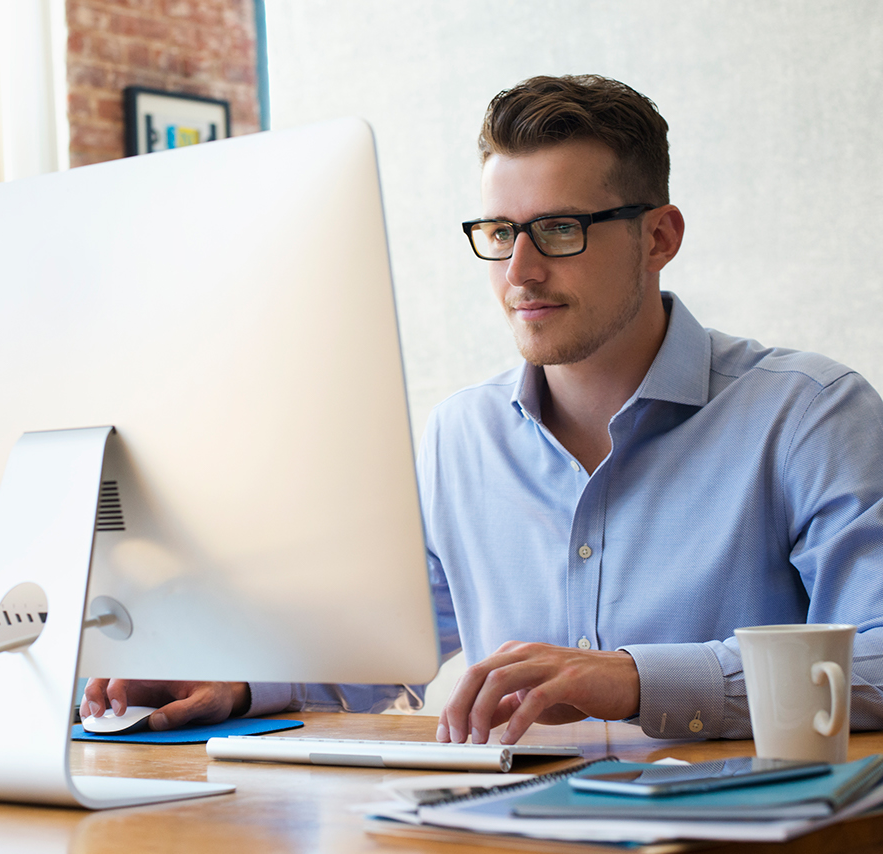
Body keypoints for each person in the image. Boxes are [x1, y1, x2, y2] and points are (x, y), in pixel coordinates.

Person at [82, 74, 883, 744]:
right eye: (501, 233)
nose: (520, 272)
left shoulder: (809, 416)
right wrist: (236, 681)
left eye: (560, 230)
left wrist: (637, 680)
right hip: (501, 828)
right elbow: (382, 648)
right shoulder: (460, 436)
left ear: (659, 237)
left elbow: (879, 660)